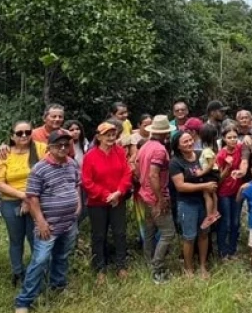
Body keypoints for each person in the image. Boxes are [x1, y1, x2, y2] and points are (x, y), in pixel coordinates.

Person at [14, 129, 81, 313]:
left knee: (62, 256)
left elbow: (76, 184)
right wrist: (40, 221)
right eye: (59, 145)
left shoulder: (72, 164)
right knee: (40, 260)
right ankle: (24, 301)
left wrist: (78, 205)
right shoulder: (40, 168)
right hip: (49, 225)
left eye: (66, 144)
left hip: (68, 222)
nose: (63, 148)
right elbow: (32, 198)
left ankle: (58, 286)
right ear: (50, 147)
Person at [0, 120, 47, 286]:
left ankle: (38, 272)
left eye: (27, 132)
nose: (24, 136)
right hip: (11, 202)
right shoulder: (4, 154)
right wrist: (24, 196)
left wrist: (30, 198)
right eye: (19, 133)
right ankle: (18, 272)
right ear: (12, 136)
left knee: (35, 237)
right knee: (16, 239)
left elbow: (46, 174)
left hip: (36, 200)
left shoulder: (41, 149)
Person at [82, 121, 131, 280]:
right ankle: (100, 269)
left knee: (120, 233)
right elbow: (87, 181)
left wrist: (118, 192)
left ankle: (121, 265)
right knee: (98, 235)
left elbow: (127, 174)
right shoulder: (90, 156)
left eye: (113, 135)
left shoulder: (120, 152)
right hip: (97, 203)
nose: (110, 138)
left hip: (118, 200)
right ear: (98, 137)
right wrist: (106, 195)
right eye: (107, 135)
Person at [170, 130, 216, 278]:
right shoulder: (175, 162)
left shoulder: (200, 154)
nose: (190, 143)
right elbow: (180, 186)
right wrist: (204, 186)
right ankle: (188, 268)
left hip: (204, 202)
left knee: (204, 234)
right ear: (178, 146)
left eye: (191, 140)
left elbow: (213, 166)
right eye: (185, 142)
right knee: (189, 237)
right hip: (186, 204)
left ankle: (203, 266)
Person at [137, 115, 176, 284]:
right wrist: (160, 199)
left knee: (150, 231)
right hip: (155, 196)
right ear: (166, 132)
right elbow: (154, 175)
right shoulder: (160, 150)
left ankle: (148, 262)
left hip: (144, 194)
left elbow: (137, 168)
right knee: (168, 232)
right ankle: (157, 269)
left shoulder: (145, 146)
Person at [215, 126, 246, 259]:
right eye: (229, 137)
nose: (233, 140)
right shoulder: (221, 155)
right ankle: (222, 251)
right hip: (224, 192)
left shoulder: (240, 148)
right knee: (226, 222)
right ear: (224, 138)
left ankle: (233, 250)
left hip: (238, 190)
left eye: (235, 137)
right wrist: (228, 166)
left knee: (236, 221)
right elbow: (219, 179)